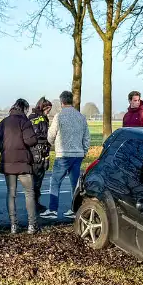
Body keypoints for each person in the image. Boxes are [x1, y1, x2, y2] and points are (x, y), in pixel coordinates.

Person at [0, 98, 39, 234]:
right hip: (23, 163)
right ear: (24, 108)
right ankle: (32, 225)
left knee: (11, 194)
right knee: (29, 193)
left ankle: (13, 225)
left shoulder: (3, 123)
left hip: (8, 163)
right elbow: (31, 141)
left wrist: (6, 147)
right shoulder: (25, 122)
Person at [44, 90, 90, 219]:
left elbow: (51, 134)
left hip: (63, 154)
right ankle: (74, 210)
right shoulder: (81, 117)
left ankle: (53, 210)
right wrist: (84, 151)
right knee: (74, 184)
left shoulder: (59, 116)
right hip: (78, 154)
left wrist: (51, 144)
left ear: (61, 102)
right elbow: (87, 137)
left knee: (55, 182)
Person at [27, 97, 53, 214]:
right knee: (38, 179)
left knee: (33, 179)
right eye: (48, 110)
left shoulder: (30, 117)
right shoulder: (42, 118)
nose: (49, 112)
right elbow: (45, 136)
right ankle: (35, 204)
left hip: (32, 151)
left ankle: (33, 203)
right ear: (44, 108)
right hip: (40, 152)